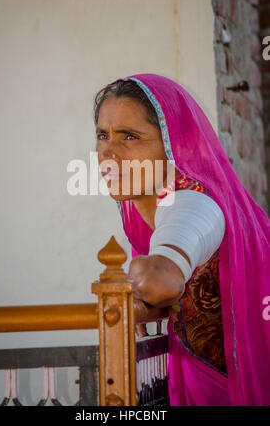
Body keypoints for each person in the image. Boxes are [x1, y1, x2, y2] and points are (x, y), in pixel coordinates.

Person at [93, 73, 270, 406]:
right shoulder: (149, 209)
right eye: (103, 135)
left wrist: (130, 295)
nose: (108, 152)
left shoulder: (193, 203)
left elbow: (160, 279)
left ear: (174, 143)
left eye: (129, 136)